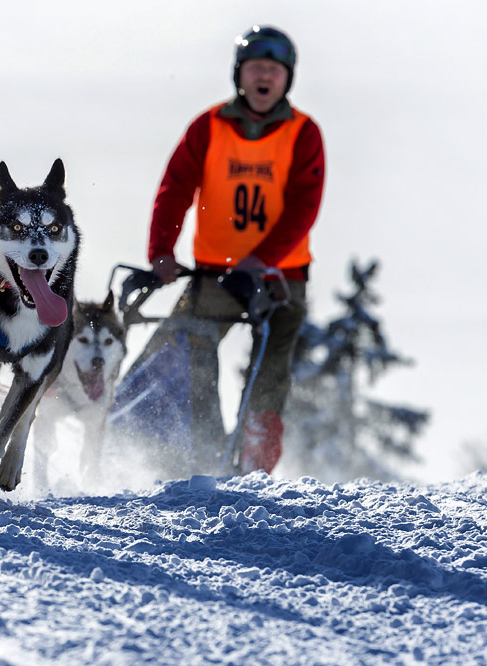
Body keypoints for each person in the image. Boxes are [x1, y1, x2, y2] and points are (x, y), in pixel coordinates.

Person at [134, 25, 325, 476]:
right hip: (214, 274)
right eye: (256, 67)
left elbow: (303, 207)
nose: (265, 76)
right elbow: (175, 189)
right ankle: (204, 453)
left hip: (280, 276)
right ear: (240, 74)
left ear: (287, 78)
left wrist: (258, 263)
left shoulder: (304, 133)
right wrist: (161, 251)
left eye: (274, 70)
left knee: (269, 369)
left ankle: (255, 463)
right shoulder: (208, 126)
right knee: (187, 349)